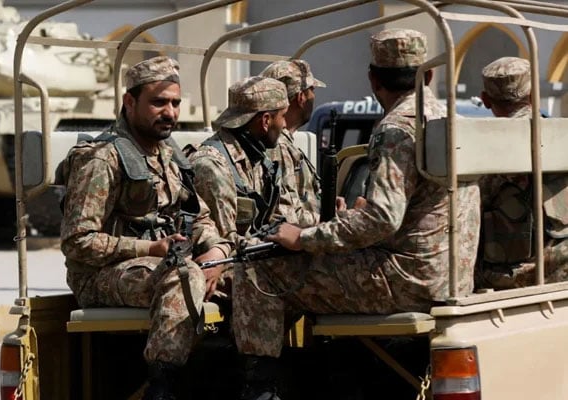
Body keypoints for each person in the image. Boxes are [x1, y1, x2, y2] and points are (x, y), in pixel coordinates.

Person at [230, 29, 481, 400]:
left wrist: (303, 239)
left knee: (257, 272)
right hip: (450, 275)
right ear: (427, 75)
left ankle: (261, 391)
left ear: (373, 79)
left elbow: (382, 218)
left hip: (407, 279)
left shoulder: (397, 127)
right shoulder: (450, 118)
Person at [59, 56, 233, 400]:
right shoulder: (102, 158)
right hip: (101, 275)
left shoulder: (168, 154)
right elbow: (77, 242)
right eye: (158, 102)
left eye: (175, 103)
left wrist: (216, 251)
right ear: (130, 102)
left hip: (164, 262)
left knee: (257, 277)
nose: (169, 112)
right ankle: (161, 387)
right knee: (183, 278)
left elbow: (199, 216)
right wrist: (148, 249)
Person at [477, 56, 568, 289]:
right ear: (533, 95)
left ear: (485, 100)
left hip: (521, 274)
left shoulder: (485, 149)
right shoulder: (560, 134)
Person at [188, 76, 289, 247]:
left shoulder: (258, 159)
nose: (285, 124)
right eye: (283, 116)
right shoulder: (212, 167)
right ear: (265, 121)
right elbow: (224, 243)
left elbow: (273, 220)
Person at [259, 59, 325, 226]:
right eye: (312, 90)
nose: (314, 97)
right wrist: (333, 218)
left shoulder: (281, 143)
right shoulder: (278, 147)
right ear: (301, 97)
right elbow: (286, 216)